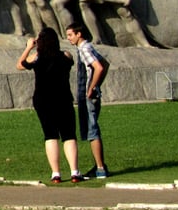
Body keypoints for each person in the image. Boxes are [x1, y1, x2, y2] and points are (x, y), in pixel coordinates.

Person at [17, 27, 82, 184]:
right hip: (63, 98)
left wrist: (28, 47)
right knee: (69, 135)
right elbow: (70, 60)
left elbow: (20, 64)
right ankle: (74, 171)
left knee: (50, 135)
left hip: (43, 100)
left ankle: (56, 173)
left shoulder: (37, 58)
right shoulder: (65, 56)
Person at [65, 22, 110, 179]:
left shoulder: (84, 48)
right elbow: (105, 64)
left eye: (70, 34)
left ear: (79, 34)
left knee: (92, 131)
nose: (68, 38)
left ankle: (100, 168)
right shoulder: (87, 47)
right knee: (92, 129)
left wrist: (91, 88)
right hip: (92, 93)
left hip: (89, 95)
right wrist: (97, 85)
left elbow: (99, 67)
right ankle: (99, 166)